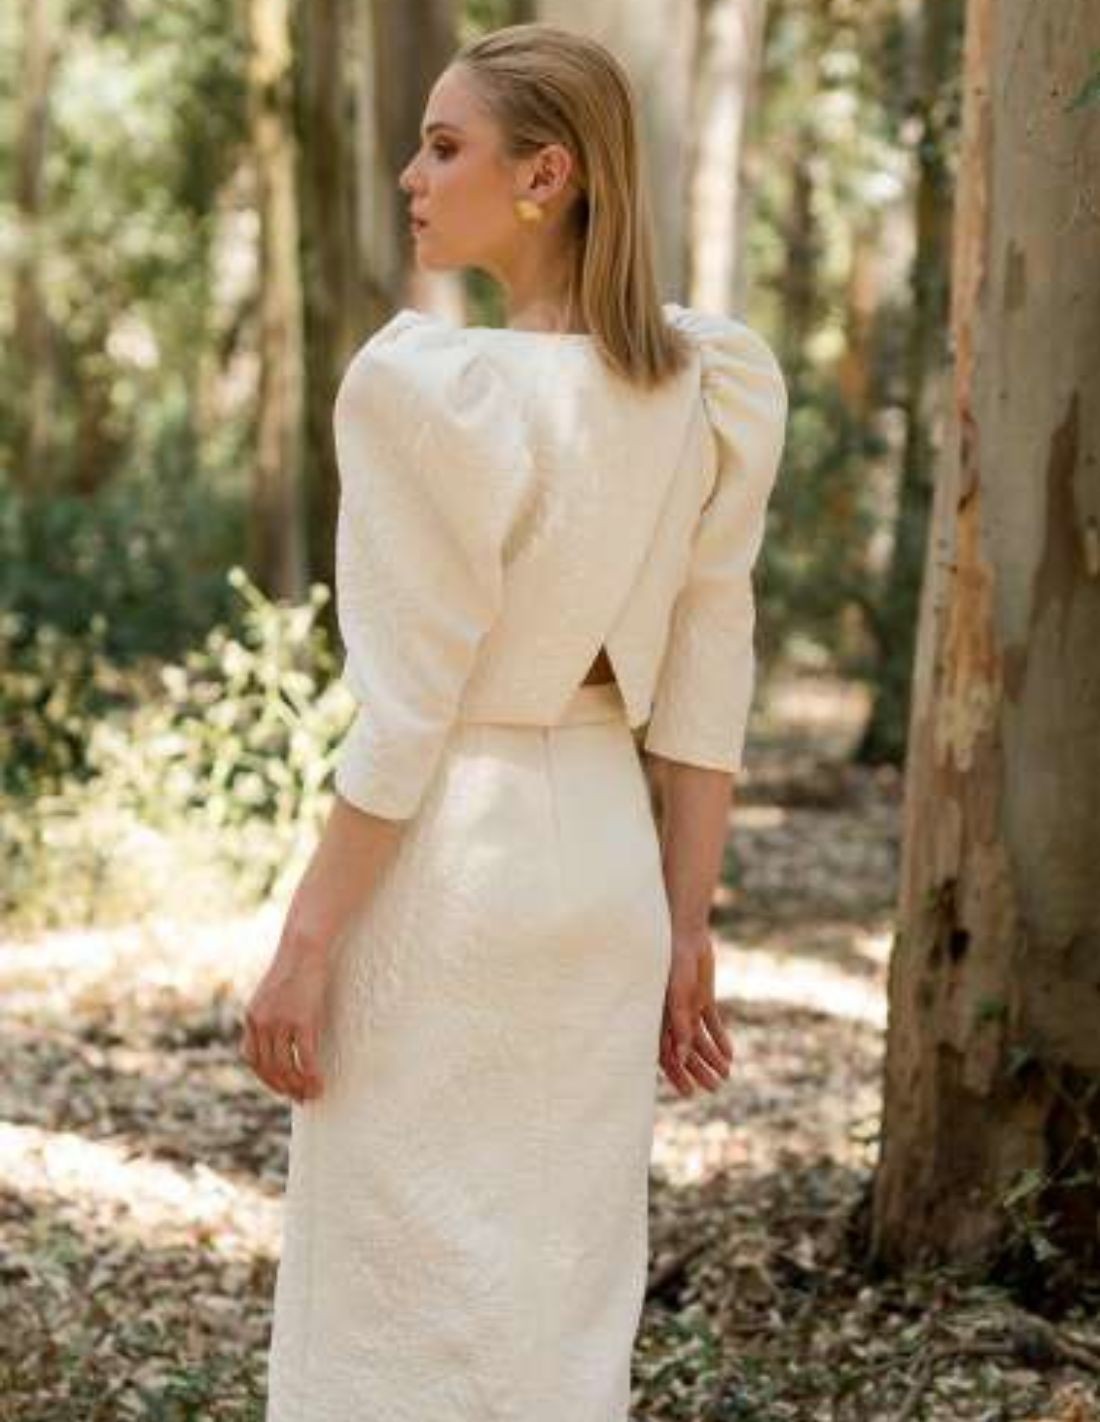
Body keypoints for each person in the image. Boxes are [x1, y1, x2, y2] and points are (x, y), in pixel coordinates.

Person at [241, 20, 788, 1422]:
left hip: (451, 870)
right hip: (605, 868)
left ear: (546, 176)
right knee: (558, 1285)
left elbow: (408, 711)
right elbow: (708, 669)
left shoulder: (432, 389)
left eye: (445, 146)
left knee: (388, 1285)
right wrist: (688, 924)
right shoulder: (707, 383)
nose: (411, 176)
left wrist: (305, 943)